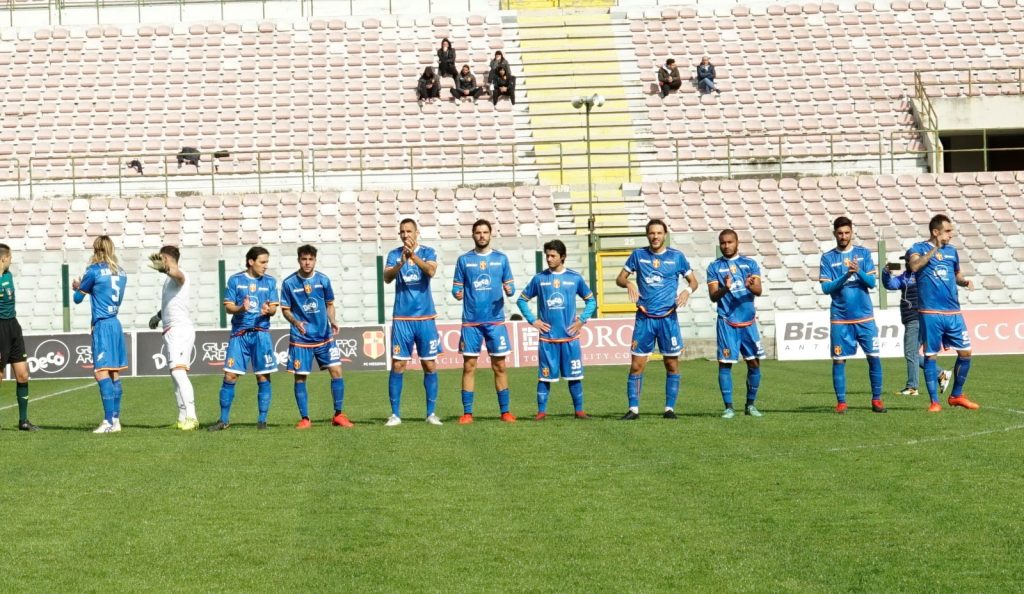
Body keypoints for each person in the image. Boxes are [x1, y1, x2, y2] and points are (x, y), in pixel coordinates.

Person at [615, 219, 699, 420]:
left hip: (668, 319)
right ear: (647, 235)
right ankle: (633, 409)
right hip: (645, 319)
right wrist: (628, 283)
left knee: (671, 364)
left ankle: (669, 409)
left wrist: (687, 291)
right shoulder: (638, 255)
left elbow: (694, 282)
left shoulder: (677, 257)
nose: (655, 236)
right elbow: (619, 278)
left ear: (665, 235)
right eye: (652, 233)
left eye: (659, 233)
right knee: (637, 365)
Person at [516, 239, 596, 420]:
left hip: (570, 338)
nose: (549, 259)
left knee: (575, 376)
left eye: (553, 256)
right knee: (544, 377)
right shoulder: (539, 279)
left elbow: (591, 301)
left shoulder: (574, 278)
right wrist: (533, 320)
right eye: (547, 256)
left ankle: (579, 411)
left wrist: (581, 320)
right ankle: (541, 412)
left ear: (563, 257)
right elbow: (521, 300)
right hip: (548, 339)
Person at [907, 214, 979, 412]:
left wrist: (964, 281)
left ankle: (956, 395)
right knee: (931, 355)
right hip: (930, 312)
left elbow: (956, 274)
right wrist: (935, 249)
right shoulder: (918, 248)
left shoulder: (952, 251)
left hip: (953, 311)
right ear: (935, 232)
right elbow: (914, 266)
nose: (950, 235)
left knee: (966, 352)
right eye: (947, 231)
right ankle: (934, 402)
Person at [280, 245, 351, 429]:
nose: (307, 263)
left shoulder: (323, 280)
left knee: (337, 372)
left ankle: (338, 415)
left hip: (324, 336)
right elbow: (285, 310)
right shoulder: (289, 283)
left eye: (310, 259)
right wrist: (295, 322)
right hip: (301, 338)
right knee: (300, 378)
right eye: (304, 259)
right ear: (299, 260)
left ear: (315, 260)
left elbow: (329, 304)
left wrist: (333, 320)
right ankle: (305, 418)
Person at [818, 216, 885, 414]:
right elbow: (826, 288)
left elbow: (872, 283)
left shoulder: (863, 253)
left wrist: (858, 272)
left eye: (847, 232)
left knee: (873, 357)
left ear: (852, 233)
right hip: (841, 319)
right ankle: (841, 402)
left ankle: (877, 400)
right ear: (834, 234)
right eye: (840, 233)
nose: (843, 236)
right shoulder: (828, 258)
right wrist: (846, 275)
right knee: (839, 360)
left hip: (865, 317)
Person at [452, 219, 516, 424]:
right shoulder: (464, 260)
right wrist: (457, 293)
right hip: (471, 322)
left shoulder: (501, 259)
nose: (481, 236)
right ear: (473, 235)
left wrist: (509, 290)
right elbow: (456, 288)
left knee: (500, 366)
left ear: (490, 234)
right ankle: (467, 413)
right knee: (469, 366)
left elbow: (511, 287)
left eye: (485, 232)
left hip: (495, 322)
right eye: (478, 232)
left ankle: (505, 412)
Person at [209, 246, 279, 431]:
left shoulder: (270, 282)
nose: (265, 266)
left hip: (261, 334)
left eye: (267, 262)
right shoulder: (235, 280)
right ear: (251, 262)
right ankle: (223, 420)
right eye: (262, 262)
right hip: (240, 335)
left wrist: (268, 310)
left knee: (263, 376)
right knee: (230, 376)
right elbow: (228, 307)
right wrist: (241, 308)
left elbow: (274, 308)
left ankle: (262, 421)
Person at [383, 219, 443, 427]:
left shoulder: (428, 252)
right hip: (402, 318)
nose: (405, 235)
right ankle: (395, 414)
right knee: (398, 364)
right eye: (402, 232)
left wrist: (413, 257)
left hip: (425, 317)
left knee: (429, 364)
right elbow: (386, 278)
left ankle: (431, 413)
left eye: (409, 231)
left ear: (417, 233)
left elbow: (431, 271)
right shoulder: (394, 254)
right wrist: (401, 262)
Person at [706, 229, 765, 419]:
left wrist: (750, 286)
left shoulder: (750, 264)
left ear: (737, 243)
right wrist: (726, 288)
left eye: (730, 242)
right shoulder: (714, 267)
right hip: (726, 322)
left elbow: (759, 290)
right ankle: (729, 407)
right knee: (725, 364)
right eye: (723, 243)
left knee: (754, 363)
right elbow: (713, 296)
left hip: (748, 322)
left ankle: (750, 405)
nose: (726, 246)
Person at [72, 236, 128, 433]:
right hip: (115, 323)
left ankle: (107, 422)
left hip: (102, 325)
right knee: (114, 373)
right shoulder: (121, 272)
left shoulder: (93, 271)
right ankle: (116, 420)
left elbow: (77, 298)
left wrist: (78, 287)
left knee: (101, 372)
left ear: (96, 250)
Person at [881, 253, 952, 397]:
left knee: (910, 352)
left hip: (916, 318)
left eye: (908, 260)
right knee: (913, 353)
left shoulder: (924, 276)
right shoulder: (906, 277)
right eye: (906, 261)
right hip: (915, 319)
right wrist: (886, 273)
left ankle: (913, 387)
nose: (906, 263)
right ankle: (941, 374)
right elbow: (890, 284)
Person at [147, 246, 199, 431]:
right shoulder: (168, 281)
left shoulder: (179, 274)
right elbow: (171, 303)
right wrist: (158, 316)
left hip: (180, 330)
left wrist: (167, 269)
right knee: (175, 375)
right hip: (170, 330)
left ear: (166, 259)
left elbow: (179, 275)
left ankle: (192, 417)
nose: (158, 261)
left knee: (178, 373)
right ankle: (182, 417)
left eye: (161, 258)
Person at [0, 244, 38, 431]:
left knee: (23, 374)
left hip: (13, 326)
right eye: (10, 257)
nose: (11, 260)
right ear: (3, 259)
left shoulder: (9, 275)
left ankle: (23, 420)